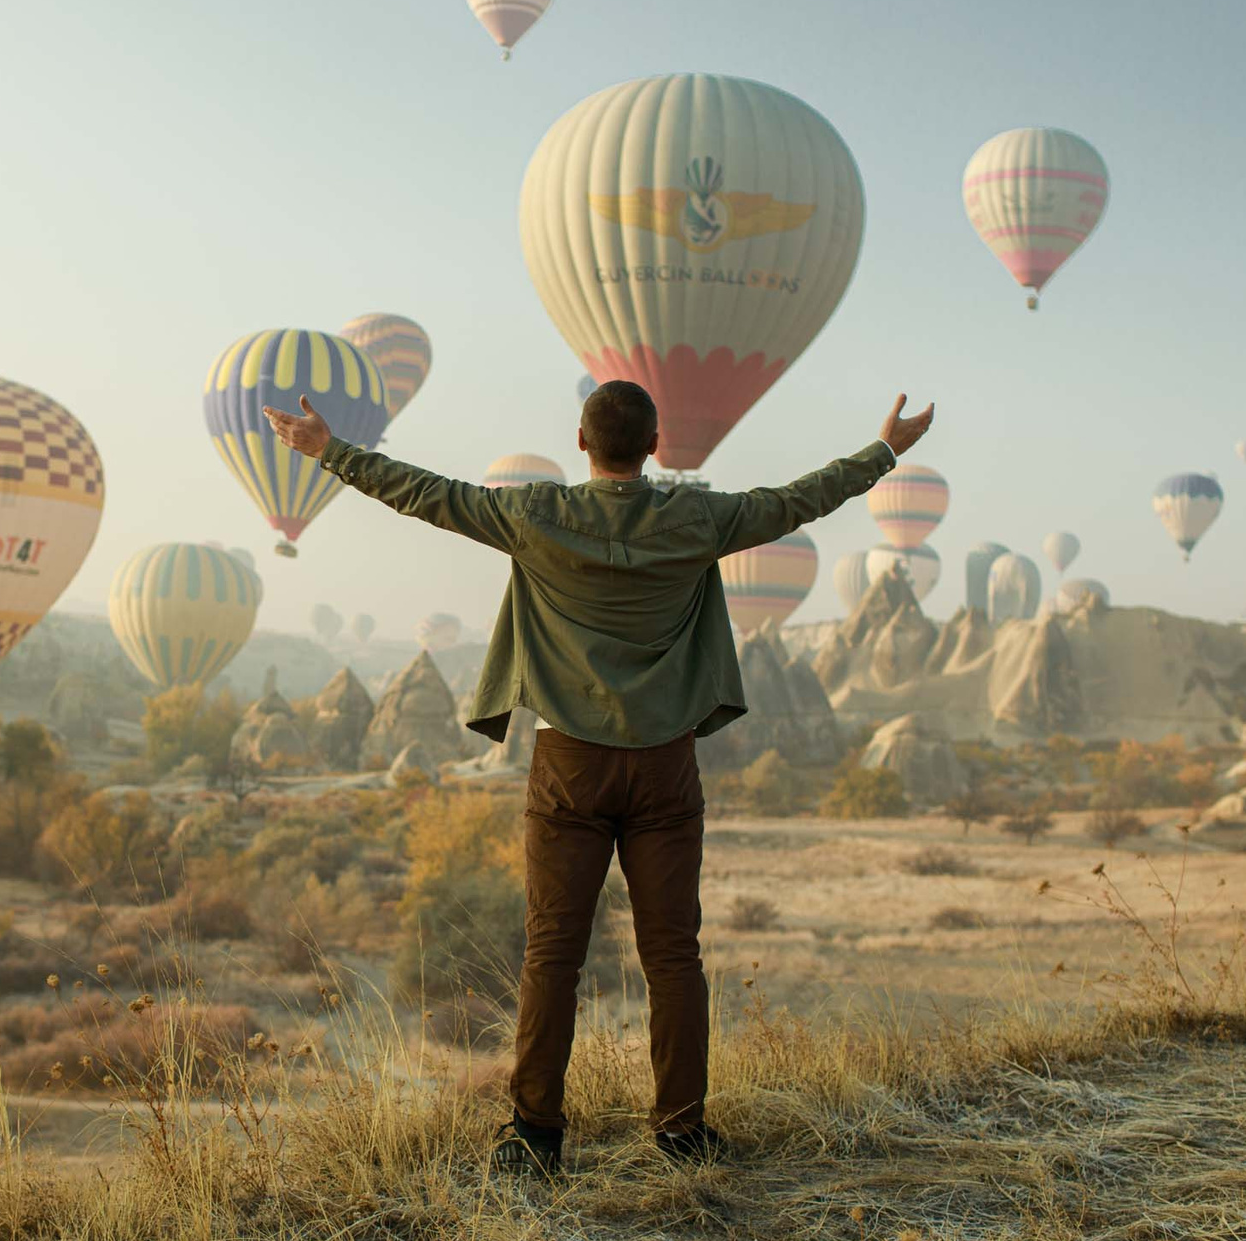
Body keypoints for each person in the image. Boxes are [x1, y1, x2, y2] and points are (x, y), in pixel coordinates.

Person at [260, 380, 932, 1173]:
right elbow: (798, 501)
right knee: (673, 955)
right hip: (665, 767)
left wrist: (328, 450)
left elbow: (426, 495)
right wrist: (884, 450)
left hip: (568, 765)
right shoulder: (696, 518)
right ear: (653, 447)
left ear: (582, 443)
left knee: (553, 954)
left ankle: (536, 1134)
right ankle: (682, 1130)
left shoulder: (536, 514)